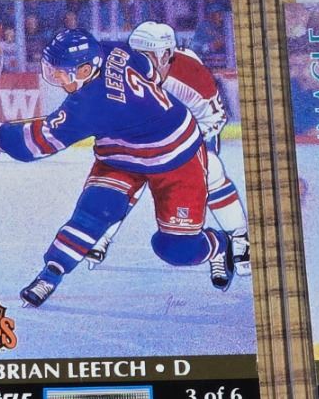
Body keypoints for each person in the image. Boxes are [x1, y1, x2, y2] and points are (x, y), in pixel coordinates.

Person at [0, 28, 230, 308]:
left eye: (61, 72)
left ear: (86, 70)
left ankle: (218, 244)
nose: (56, 78)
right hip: (120, 152)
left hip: (176, 156)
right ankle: (51, 274)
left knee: (176, 249)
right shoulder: (111, 50)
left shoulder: (89, 105)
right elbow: (147, 68)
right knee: (94, 211)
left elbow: (30, 146)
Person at [83, 23, 250, 285]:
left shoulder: (191, 75)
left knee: (212, 171)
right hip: (144, 132)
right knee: (124, 172)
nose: (142, 65)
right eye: (137, 55)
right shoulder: (116, 72)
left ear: (166, 55)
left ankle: (239, 238)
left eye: (150, 57)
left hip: (191, 132)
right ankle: (102, 234)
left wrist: (178, 147)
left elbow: (215, 118)